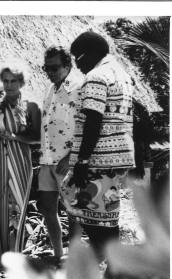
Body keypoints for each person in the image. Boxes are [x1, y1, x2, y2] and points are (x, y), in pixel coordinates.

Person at [60, 32, 135, 260]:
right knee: (107, 209)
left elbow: (94, 119)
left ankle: (109, 260)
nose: (77, 65)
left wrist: (82, 160)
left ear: (90, 54)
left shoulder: (96, 76)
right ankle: (112, 262)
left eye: (77, 58)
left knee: (78, 201)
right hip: (115, 155)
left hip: (98, 155)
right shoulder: (121, 75)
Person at [0, 60, 41, 265]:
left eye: (13, 81)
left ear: (21, 82)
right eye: (5, 81)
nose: (9, 85)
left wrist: (15, 136)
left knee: (18, 205)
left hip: (20, 160)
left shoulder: (31, 106)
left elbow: (37, 138)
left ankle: (16, 257)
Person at [37, 46, 81, 263]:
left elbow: (87, 127)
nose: (50, 72)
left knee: (73, 211)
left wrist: (71, 156)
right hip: (46, 159)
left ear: (68, 66)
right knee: (47, 207)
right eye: (46, 68)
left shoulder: (78, 89)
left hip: (67, 161)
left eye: (54, 68)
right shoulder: (48, 90)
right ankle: (58, 254)